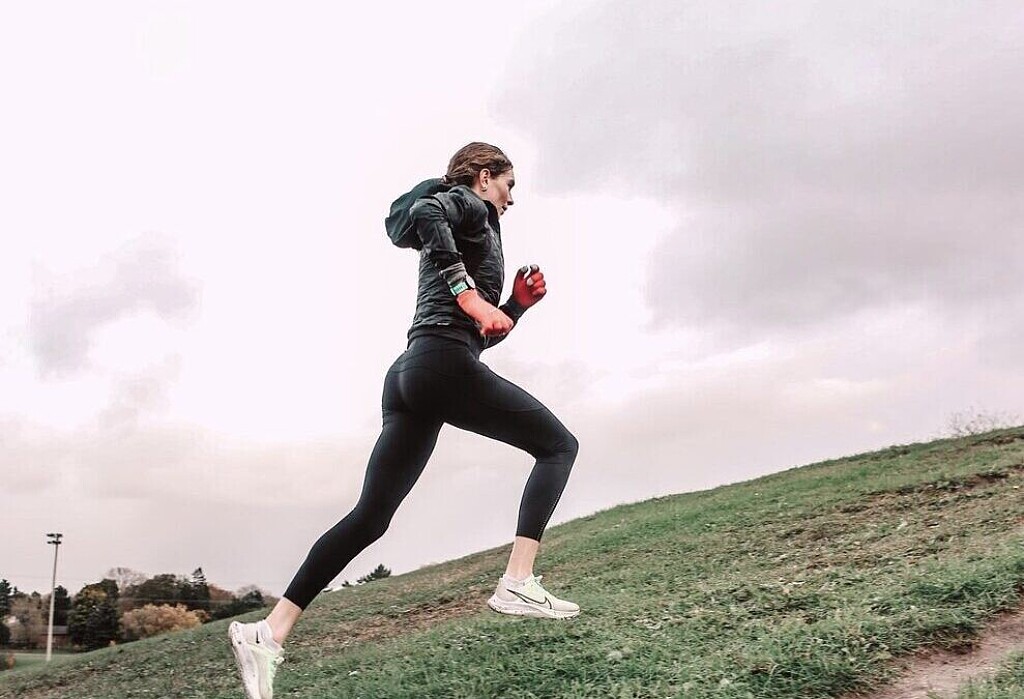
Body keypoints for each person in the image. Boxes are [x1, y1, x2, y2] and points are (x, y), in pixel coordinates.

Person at [229, 142, 581, 699]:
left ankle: (268, 633)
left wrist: (512, 306)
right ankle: (518, 581)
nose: (511, 199)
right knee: (559, 447)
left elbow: (475, 340)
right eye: (509, 185)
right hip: (437, 363)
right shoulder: (466, 204)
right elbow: (425, 211)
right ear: (484, 177)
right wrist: (470, 296)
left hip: (414, 373)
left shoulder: (470, 227)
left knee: (370, 518)